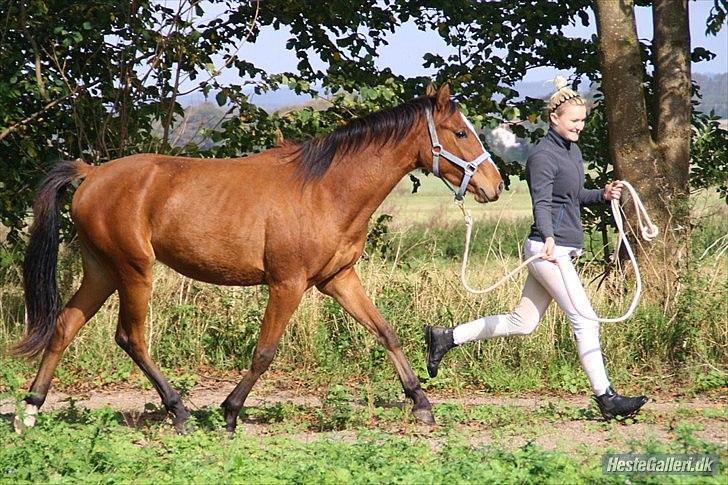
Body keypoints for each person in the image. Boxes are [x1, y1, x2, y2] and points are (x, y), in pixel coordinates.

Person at [424, 77, 648, 420]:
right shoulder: (543, 157)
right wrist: (548, 238)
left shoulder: (572, 151)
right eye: (574, 121)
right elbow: (542, 204)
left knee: (522, 321)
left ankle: (446, 337)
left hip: (557, 247)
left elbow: (571, 198)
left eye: (583, 120)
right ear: (554, 117)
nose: (580, 127)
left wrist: (602, 196)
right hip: (547, 250)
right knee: (585, 319)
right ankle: (606, 398)